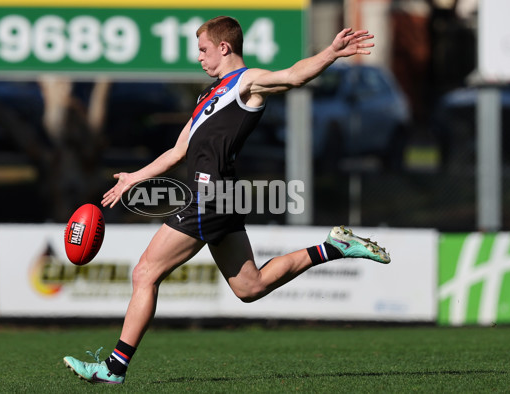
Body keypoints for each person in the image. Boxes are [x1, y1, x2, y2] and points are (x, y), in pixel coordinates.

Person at [63, 16, 390, 384]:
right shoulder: (208, 95)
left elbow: (294, 75)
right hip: (223, 197)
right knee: (250, 287)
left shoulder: (246, 83)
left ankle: (114, 368)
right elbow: (177, 151)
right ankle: (334, 248)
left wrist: (330, 53)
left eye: (203, 50)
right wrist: (135, 177)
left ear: (224, 47)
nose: (199, 58)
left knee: (144, 273)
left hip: (211, 197)